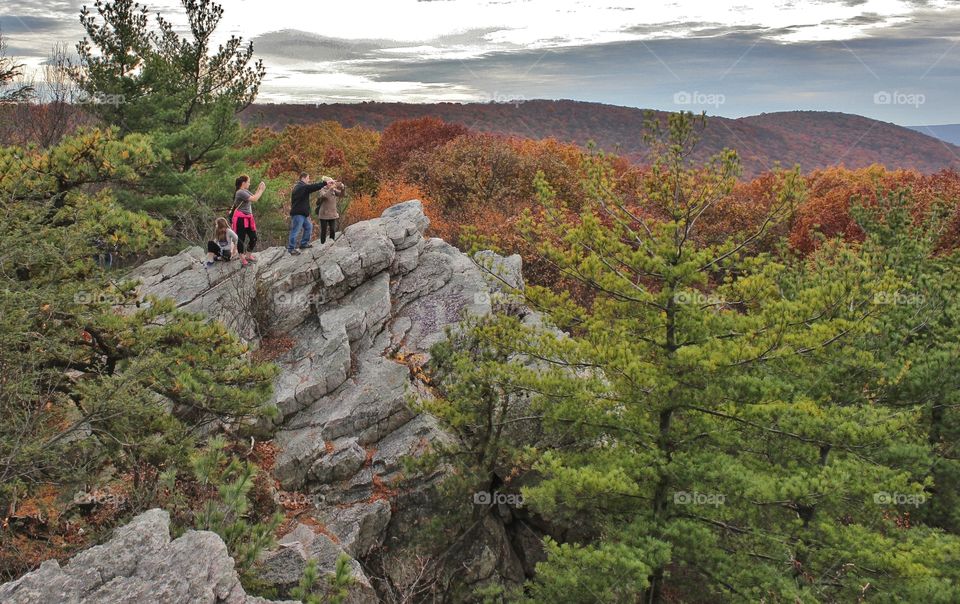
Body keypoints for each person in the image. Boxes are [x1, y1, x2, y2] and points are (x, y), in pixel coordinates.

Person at [288, 172, 332, 256]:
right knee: (295, 231)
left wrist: (307, 213)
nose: (309, 180)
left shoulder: (302, 187)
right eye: (308, 178)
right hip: (298, 214)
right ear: (303, 178)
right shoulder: (300, 187)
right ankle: (291, 249)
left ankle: (304, 244)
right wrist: (325, 183)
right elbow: (313, 187)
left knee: (309, 227)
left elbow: (305, 199)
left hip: (303, 214)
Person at [232, 174, 266, 266]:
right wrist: (261, 190)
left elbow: (255, 196)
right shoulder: (240, 192)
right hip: (240, 219)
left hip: (248, 218)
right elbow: (255, 199)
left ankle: (248, 255)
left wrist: (259, 188)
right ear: (243, 183)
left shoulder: (245, 191)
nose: (249, 184)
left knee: (253, 237)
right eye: (248, 182)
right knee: (241, 239)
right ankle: (242, 258)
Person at [316, 179, 346, 245]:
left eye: (332, 183)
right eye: (330, 183)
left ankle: (331, 244)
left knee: (332, 229)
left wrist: (343, 188)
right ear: (327, 183)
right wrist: (331, 188)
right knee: (323, 230)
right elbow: (325, 196)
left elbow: (342, 195)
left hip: (332, 214)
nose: (332, 184)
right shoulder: (322, 190)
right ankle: (322, 244)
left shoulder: (334, 190)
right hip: (324, 214)